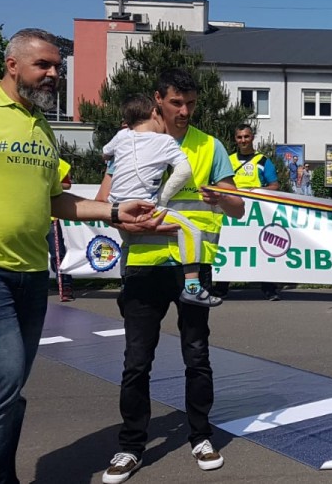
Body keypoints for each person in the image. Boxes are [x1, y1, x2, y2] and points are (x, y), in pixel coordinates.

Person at [0, 28, 160, 484]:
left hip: (30, 275)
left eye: (58, 68)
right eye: (43, 65)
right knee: (0, 384)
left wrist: (116, 210)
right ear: (12, 65)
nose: (53, 75)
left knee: (9, 390)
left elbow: (55, 201)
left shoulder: (41, 127)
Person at [98, 68, 245, 484]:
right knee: (136, 362)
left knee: (197, 356)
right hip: (143, 266)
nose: (185, 111)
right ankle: (130, 446)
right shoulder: (129, 140)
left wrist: (224, 197)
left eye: (192, 104)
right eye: (177, 103)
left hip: (193, 267)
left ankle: (201, 436)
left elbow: (238, 208)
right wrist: (128, 223)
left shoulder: (209, 145)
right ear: (157, 99)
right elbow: (105, 205)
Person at [102, 95, 219, 307]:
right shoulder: (164, 141)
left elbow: (104, 152)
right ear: (154, 113)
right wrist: (162, 197)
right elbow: (184, 171)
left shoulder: (121, 136)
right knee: (192, 232)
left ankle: (124, 285)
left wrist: (113, 157)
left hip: (117, 207)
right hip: (144, 207)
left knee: (128, 243)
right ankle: (193, 287)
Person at [229, 124, 281, 301]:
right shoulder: (228, 160)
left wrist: (258, 191)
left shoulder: (263, 161)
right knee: (230, 248)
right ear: (235, 139)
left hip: (257, 214)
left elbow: (274, 185)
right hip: (233, 212)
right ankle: (221, 287)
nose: (243, 140)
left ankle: (269, 289)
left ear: (252, 137)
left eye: (246, 136)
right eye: (239, 137)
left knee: (262, 249)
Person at [48, 158, 76, 302]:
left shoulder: (60, 164)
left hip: (52, 216)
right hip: (31, 215)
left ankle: (65, 285)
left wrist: (49, 185)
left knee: (58, 254)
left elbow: (67, 184)